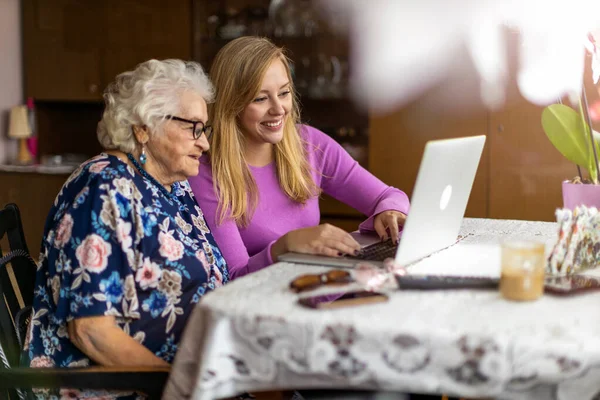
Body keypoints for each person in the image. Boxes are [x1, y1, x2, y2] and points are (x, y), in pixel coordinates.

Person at [25, 59, 227, 398]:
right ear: (143, 128)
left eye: (204, 129)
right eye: (193, 127)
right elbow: (91, 330)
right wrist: (179, 386)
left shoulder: (172, 185)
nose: (204, 143)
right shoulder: (104, 189)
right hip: (123, 388)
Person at [188, 36, 410, 279]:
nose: (278, 108)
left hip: (325, 289)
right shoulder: (205, 171)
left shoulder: (309, 143)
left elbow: (388, 196)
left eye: (283, 93)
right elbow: (233, 277)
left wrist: (390, 211)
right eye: (260, 98)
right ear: (232, 105)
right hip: (266, 307)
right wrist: (285, 245)